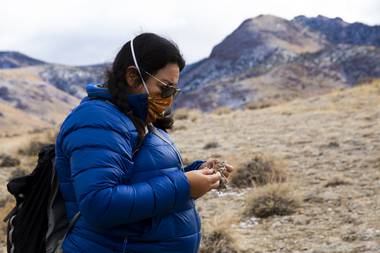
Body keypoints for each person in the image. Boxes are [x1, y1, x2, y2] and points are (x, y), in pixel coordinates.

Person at [54, 32, 234, 253]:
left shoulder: (138, 117)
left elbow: (146, 178)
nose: (169, 99)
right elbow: (99, 203)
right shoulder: (97, 120)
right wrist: (185, 185)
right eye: (165, 88)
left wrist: (198, 172)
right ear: (132, 76)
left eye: (174, 91)